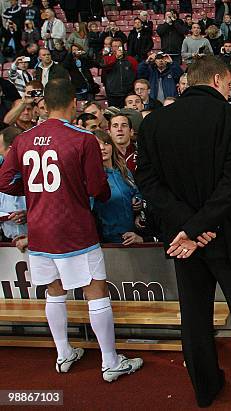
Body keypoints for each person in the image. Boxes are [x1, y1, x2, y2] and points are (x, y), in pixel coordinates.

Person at [135, 56, 231, 409]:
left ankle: (205, 389)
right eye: (230, 82)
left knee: (194, 317)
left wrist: (186, 227)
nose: (230, 87)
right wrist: (197, 227)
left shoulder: (154, 122)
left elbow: (148, 182)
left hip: (182, 241)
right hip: (227, 235)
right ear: (219, 79)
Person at [0, 78, 143, 382]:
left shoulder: (24, 138)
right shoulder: (82, 138)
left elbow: (4, 181)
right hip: (74, 227)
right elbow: (97, 187)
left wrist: (35, 192)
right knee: (96, 291)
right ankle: (109, 361)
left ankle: (63, 353)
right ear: (72, 103)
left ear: (44, 104)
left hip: (39, 228)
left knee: (54, 292)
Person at [93, 130, 143, 245]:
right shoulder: (93, 177)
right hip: (107, 240)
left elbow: (136, 191)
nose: (102, 148)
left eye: (106, 143)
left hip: (132, 236)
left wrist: (138, 200)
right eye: (97, 145)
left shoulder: (123, 171)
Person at [100, 38, 138, 108]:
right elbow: (104, 66)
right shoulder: (106, 59)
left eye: (119, 46)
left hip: (128, 94)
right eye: (115, 46)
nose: (117, 48)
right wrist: (116, 58)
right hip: (112, 94)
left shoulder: (131, 60)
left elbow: (136, 74)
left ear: (123, 47)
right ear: (111, 48)